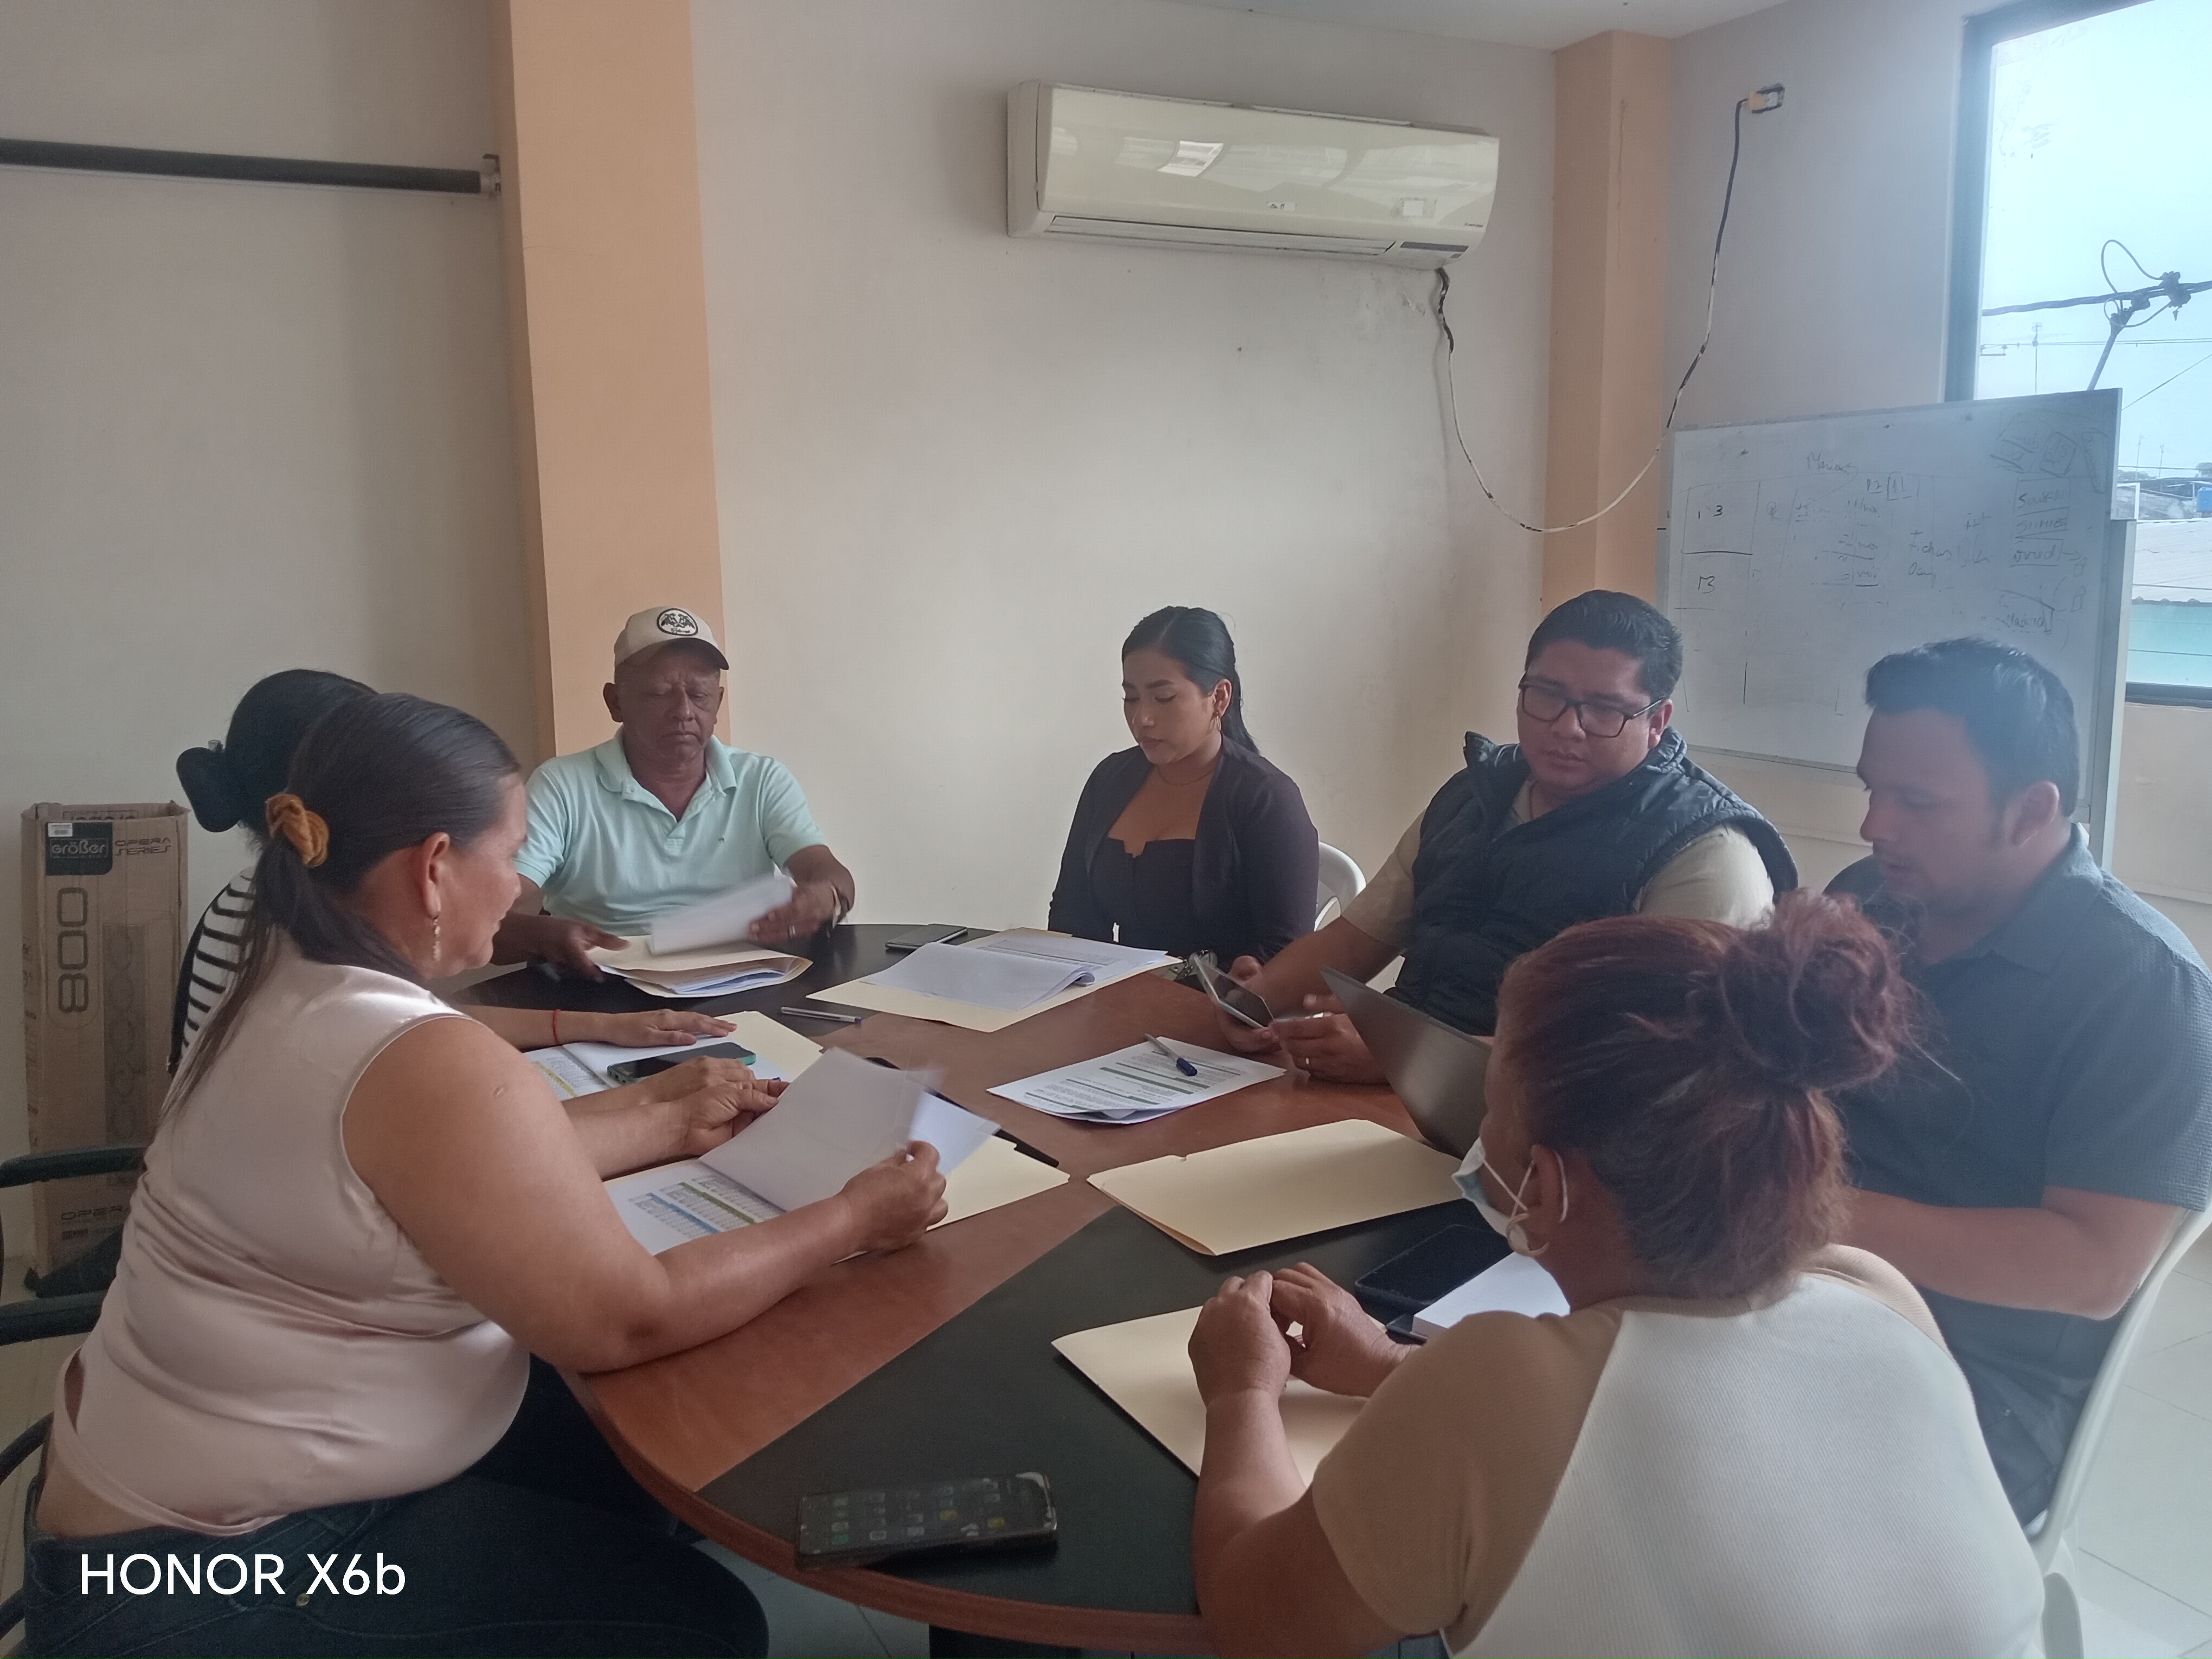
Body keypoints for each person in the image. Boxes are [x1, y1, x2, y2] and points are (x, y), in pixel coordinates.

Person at [27, 692, 946, 1657]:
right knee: (706, 1626)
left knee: (622, 1461)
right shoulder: (413, 1054)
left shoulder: (283, 979)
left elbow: (454, 1169)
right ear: (433, 868)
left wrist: (670, 1121)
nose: (518, 889)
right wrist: (854, 1218)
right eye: (508, 856)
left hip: (137, 1512)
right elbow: (630, 1318)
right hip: (207, 1582)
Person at [1186, 896, 2044, 1657]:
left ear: (1545, 1187)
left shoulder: (1491, 1384)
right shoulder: (1876, 1292)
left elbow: (1258, 1624)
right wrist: (1387, 1366)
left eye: (1493, 1105)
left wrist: (1241, 1391)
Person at [1829, 638, 2212, 1523]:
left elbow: (2092, 1268)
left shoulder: (2143, 989)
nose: (1875, 827)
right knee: (1568, 1385)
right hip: (1801, 1291)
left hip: (1981, 1380)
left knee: (1683, 1481)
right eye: (1872, 791)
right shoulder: (1870, 900)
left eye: (1918, 802)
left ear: (2033, 809)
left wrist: (1805, 1212)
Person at [1218, 590, 1795, 1081]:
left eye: (1604, 709)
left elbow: (1660, 1056)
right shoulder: (1473, 795)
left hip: (1559, 1138)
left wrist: (1410, 1058)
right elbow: (1353, 941)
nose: (1567, 727)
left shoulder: (1706, 853)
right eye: (1547, 695)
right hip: (1403, 1100)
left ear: (1658, 722)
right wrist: (1256, 999)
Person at [174, 670, 728, 1066]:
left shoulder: (283, 898)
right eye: (506, 854)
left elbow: (420, 1018)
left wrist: (602, 1027)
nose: (514, 882)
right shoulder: (314, 934)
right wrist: (664, 1109)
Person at [498, 606, 854, 974]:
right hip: (600, 982)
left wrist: (826, 897)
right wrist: (544, 937)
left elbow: (828, 872)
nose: (683, 711)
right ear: (615, 702)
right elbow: (485, 914)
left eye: (699, 695)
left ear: (718, 703)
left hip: (737, 978)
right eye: (658, 694)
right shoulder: (562, 786)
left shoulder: (761, 780)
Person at [1049, 607, 1319, 964]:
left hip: (1222, 997)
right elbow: (1072, 914)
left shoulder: (1266, 798)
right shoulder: (1110, 779)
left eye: (1164, 698)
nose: (1142, 718)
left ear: (1219, 697)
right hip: (1116, 992)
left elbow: (1285, 952)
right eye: (1131, 698)